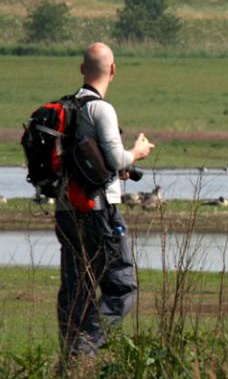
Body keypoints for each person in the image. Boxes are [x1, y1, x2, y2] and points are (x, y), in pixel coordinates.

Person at [54, 42, 155, 359]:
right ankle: (85, 352)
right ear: (113, 70)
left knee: (76, 288)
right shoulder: (101, 109)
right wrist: (137, 152)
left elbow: (87, 163)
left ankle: (71, 359)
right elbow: (115, 157)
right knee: (122, 286)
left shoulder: (67, 108)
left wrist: (113, 170)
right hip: (99, 212)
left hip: (66, 210)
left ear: (82, 69)